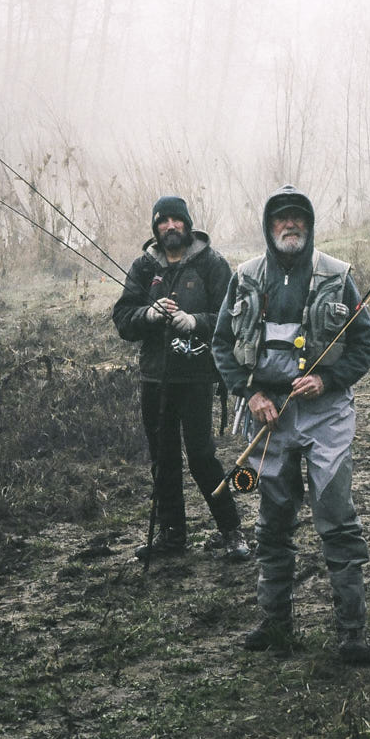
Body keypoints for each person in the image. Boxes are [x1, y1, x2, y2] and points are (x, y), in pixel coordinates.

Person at [212, 185, 370, 664]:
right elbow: (223, 345)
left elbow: (366, 348)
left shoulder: (338, 276)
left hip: (325, 413)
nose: (290, 226)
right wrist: (252, 393)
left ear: (308, 225)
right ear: (269, 228)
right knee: (272, 519)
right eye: (281, 219)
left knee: (336, 515)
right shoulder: (243, 279)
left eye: (298, 219)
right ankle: (275, 624)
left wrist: (327, 379)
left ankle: (352, 633)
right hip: (269, 416)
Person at [113, 195, 249, 561]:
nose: (170, 226)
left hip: (197, 377)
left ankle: (231, 531)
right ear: (155, 227)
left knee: (203, 456)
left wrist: (196, 322)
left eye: (177, 220)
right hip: (155, 380)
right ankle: (172, 536)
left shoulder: (213, 263)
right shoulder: (143, 267)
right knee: (163, 458)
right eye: (163, 221)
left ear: (188, 224)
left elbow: (232, 318)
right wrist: (149, 314)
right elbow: (123, 319)